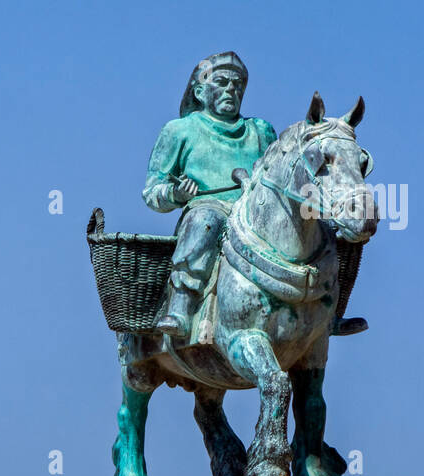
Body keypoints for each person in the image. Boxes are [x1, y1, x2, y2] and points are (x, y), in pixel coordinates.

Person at [143, 52, 366, 338]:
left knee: (322, 231)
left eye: (237, 85)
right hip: (210, 208)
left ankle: (329, 312)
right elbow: (152, 190)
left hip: (258, 213)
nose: (230, 90)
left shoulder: (259, 129)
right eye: (221, 83)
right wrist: (175, 193)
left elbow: (283, 174)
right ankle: (181, 306)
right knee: (204, 221)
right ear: (199, 91)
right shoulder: (180, 130)